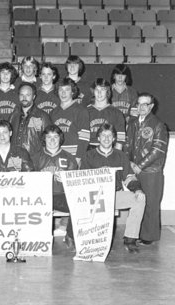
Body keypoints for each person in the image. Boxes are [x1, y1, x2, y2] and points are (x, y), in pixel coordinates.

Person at [83, 124, 146, 253]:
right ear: (98, 138)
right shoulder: (88, 156)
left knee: (140, 199)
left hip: (115, 194)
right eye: (103, 135)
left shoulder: (121, 156)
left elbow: (129, 177)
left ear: (113, 139)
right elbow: (81, 181)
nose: (106, 138)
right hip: (94, 196)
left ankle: (130, 239)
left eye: (109, 136)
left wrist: (137, 189)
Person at [125, 93, 168, 245]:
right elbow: (127, 144)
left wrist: (140, 166)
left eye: (145, 104)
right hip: (134, 168)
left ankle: (148, 237)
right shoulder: (132, 123)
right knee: (138, 201)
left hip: (151, 171)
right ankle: (135, 233)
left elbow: (157, 150)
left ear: (151, 106)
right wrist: (128, 163)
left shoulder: (158, 125)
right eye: (139, 104)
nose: (141, 107)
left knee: (151, 203)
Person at [34, 125, 78, 249]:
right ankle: (41, 239)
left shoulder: (69, 158)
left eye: (55, 137)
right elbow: (29, 180)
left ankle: (70, 235)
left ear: (60, 138)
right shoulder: (35, 157)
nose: (52, 140)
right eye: (49, 137)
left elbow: (74, 183)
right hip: (41, 196)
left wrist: (66, 180)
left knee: (77, 204)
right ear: (44, 139)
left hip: (61, 195)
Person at [8, 83, 51, 164]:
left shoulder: (42, 116)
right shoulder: (13, 116)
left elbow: (48, 140)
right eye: (21, 95)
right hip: (14, 161)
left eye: (28, 95)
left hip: (35, 162)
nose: (24, 98)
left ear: (34, 97)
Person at [50, 78, 90, 165]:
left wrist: (78, 158)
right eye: (61, 90)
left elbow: (84, 138)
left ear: (72, 92)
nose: (63, 93)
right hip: (57, 155)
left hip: (74, 156)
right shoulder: (53, 113)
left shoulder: (81, 110)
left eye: (67, 90)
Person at [87, 78, 125, 150]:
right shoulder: (85, 111)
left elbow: (120, 140)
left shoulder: (117, 113)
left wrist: (115, 156)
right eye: (96, 90)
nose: (99, 93)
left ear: (107, 91)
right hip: (89, 150)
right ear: (93, 91)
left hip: (109, 150)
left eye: (102, 90)